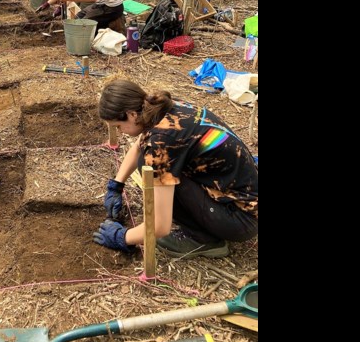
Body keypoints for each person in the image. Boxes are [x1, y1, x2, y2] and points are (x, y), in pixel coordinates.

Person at [92, 80, 258, 259]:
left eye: (118, 126)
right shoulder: (165, 107)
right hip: (243, 198)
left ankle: (203, 240)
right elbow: (141, 145)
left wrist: (122, 237)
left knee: (150, 166)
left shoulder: (161, 143)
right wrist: (117, 185)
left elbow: (160, 227)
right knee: (149, 163)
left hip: (241, 218)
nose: (121, 131)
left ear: (131, 114)